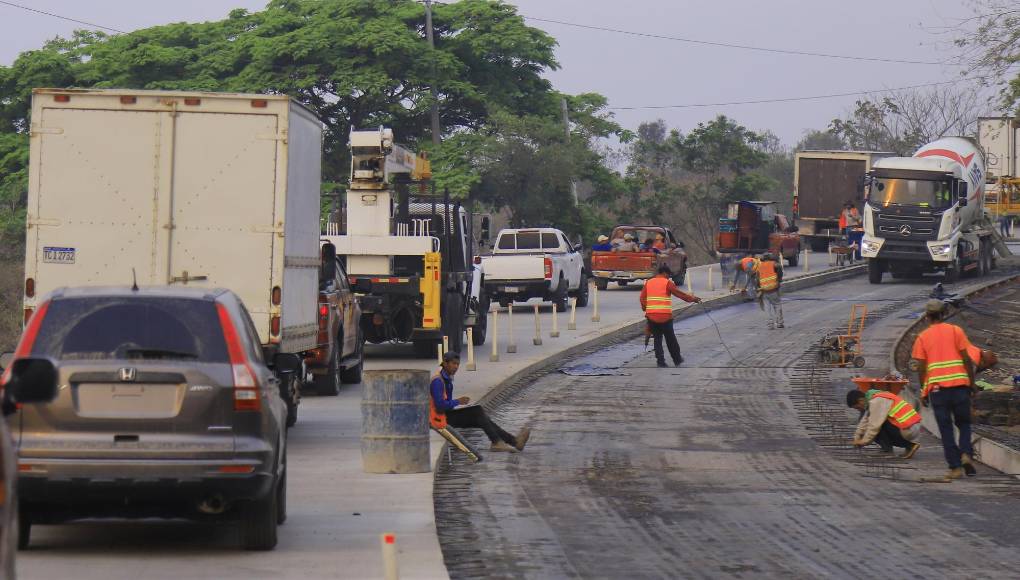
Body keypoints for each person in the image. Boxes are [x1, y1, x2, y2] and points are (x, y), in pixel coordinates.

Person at [911, 299, 992, 479]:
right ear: (944, 314)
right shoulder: (956, 331)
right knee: (964, 424)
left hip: (938, 390)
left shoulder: (922, 337)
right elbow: (965, 359)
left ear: (927, 316)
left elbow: (922, 368)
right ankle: (966, 454)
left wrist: (924, 390)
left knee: (945, 428)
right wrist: (971, 384)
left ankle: (955, 467)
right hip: (960, 386)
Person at [429, 351, 530, 453]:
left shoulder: (447, 378)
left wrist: (458, 405)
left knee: (482, 417)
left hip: (445, 416)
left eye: (457, 364)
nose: (456, 367)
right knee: (477, 411)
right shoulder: (438, 381)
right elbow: (440, 406)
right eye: (453, 364)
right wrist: (458, 401)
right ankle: (499, 442)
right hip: (439, 419)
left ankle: (512, 442)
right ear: (445, 364)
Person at [639, 265, 702, 367]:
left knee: (657, 339)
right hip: (665, 317)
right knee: (670, 339)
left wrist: (646, 309)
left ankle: (660, 362)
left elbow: (642, 298)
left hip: (652, 317)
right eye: (668, 275)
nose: (669, 277)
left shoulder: (648, 283)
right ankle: (677, 359)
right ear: (665, 273)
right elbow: (680, 294)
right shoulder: (667, 283)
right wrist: (693, 299)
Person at [846, 389, 921, 459]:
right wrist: (857, 437)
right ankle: (910, 446)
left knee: (876, 425)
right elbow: (865, 420)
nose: (859, 410)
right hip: (909, 427)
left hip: (909, 430)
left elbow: (874, 426)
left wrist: (864, 441)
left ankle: (887, 450)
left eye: (857, 408)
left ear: (861, 400)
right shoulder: (874, 398)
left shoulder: (876, 401)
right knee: (874, 422)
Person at [756, 253, 784, 329]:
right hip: (773, 289)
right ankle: (780, 323)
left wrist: (759, 289)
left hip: (764, 290)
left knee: (767, 308)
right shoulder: (774, 264)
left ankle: (770, 325)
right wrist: (779, 279)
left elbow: (757, 280)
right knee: (777, 305)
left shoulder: (759, 267)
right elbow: (779, 267)